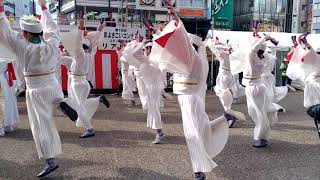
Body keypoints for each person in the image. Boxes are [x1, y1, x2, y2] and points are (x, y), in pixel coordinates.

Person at [0, 0, 79, 177]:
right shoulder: (50, 43)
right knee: (55, 100)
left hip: (36, 90)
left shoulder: (23, 47)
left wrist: (1, 12)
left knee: (41, 125)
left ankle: (50, 161)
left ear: (26, 34)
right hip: (53, 85)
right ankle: (62, 102)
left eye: (23, 32)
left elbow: (6, 33)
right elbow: (52, 28)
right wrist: (44, 8)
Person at [149, 6, 229, 180]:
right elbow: (171, 47)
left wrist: (177, 18)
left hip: (191, 99)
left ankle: (198, 170)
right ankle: (225, 120)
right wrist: (157, 32)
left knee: (193, 133)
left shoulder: (194, 56)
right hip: (186, 98)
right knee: (200, 129)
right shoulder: (186, 57)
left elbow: (182, 40)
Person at [60, 18, 110, 138]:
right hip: (84, 83)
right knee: (79, 104)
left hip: (77, 84)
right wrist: (99, 30)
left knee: (78, 106)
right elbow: (94, 42)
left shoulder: (79, 54)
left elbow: (76, 44)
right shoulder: (89, 54)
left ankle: (90, 129)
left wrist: (81, 28)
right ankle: (98, 100)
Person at [243, 35, 279, 148]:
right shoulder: (264, 58)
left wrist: (264, 39)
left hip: (255, 87)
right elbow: (253, 49)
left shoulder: (253, 57)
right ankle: (263, 135)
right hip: (257, 86)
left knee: (257, 114)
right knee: (258, 113)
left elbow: (251, 50)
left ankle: (259, 138)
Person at [207, 40, 246, 128]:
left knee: (222, 94)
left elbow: (211, 44)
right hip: (231, 75)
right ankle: (227, 114)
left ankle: (229, 114)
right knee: (228, 95)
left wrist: (218, 43)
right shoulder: (234, 56)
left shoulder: (223, 55)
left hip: (224, 75)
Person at [0, 60, 20, 136]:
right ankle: (5, 125)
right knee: (6, 102)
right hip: (3, 80)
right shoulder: (7, 55)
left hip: (2, 80)